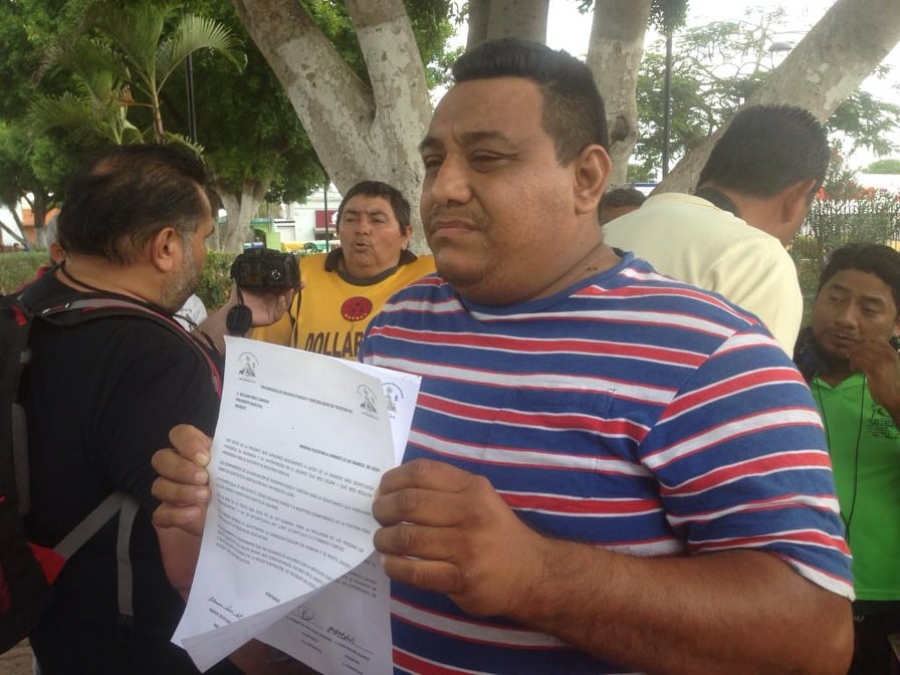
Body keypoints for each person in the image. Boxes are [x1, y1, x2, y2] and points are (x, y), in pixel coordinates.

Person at [152, 38, 854, 674]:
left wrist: (536, 576)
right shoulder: (401, 324)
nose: (444, 187)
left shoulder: (715, 354)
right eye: (434, 161)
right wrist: (235, 526)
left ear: (587, 178)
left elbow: (815, 639)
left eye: (487, 158)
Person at [18, 144, 244, 675]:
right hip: (147, 647)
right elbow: (200, 557)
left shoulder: (24, 312)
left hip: (52, 627)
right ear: (165, 246)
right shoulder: (159, 360)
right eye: (203, 237)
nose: (203, 252)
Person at [603, 104, 830, 355]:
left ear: (709, 168)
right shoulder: (759, 259)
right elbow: (752, 380)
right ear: (799, 195)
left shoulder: (602, 236)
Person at [794, 243, 900, 675]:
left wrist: (895, 400)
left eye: (869, 308)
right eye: (835, 299)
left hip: (886, 599)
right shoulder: (776, 372)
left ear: (897, 322)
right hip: (793, 587)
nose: (845, 319)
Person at [248, 180, 435, 360]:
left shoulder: (432, 276)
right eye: (351, 219)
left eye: (377, 220)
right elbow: (263, 357)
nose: (362, 229)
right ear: (338, 229)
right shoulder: (302, 275)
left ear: (405, 235)